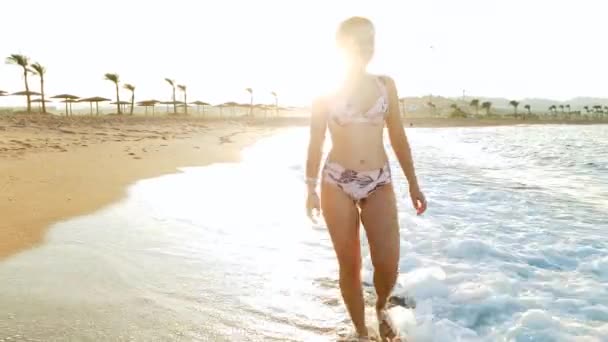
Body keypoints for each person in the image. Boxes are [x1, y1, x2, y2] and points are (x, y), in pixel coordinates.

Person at [305, 16, 427, 341]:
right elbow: (316, 143)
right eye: (357, 40)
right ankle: (360, 332)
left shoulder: (385, 85)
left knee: (388, 261)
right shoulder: (324, 95)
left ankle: (381, 307)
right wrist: (310, 188)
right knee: (351, 265)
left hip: (379, 180)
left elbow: (398, 136)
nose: (364, 47)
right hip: (336, 181)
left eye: (369, 41)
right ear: (341, 46)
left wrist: (413, 183)